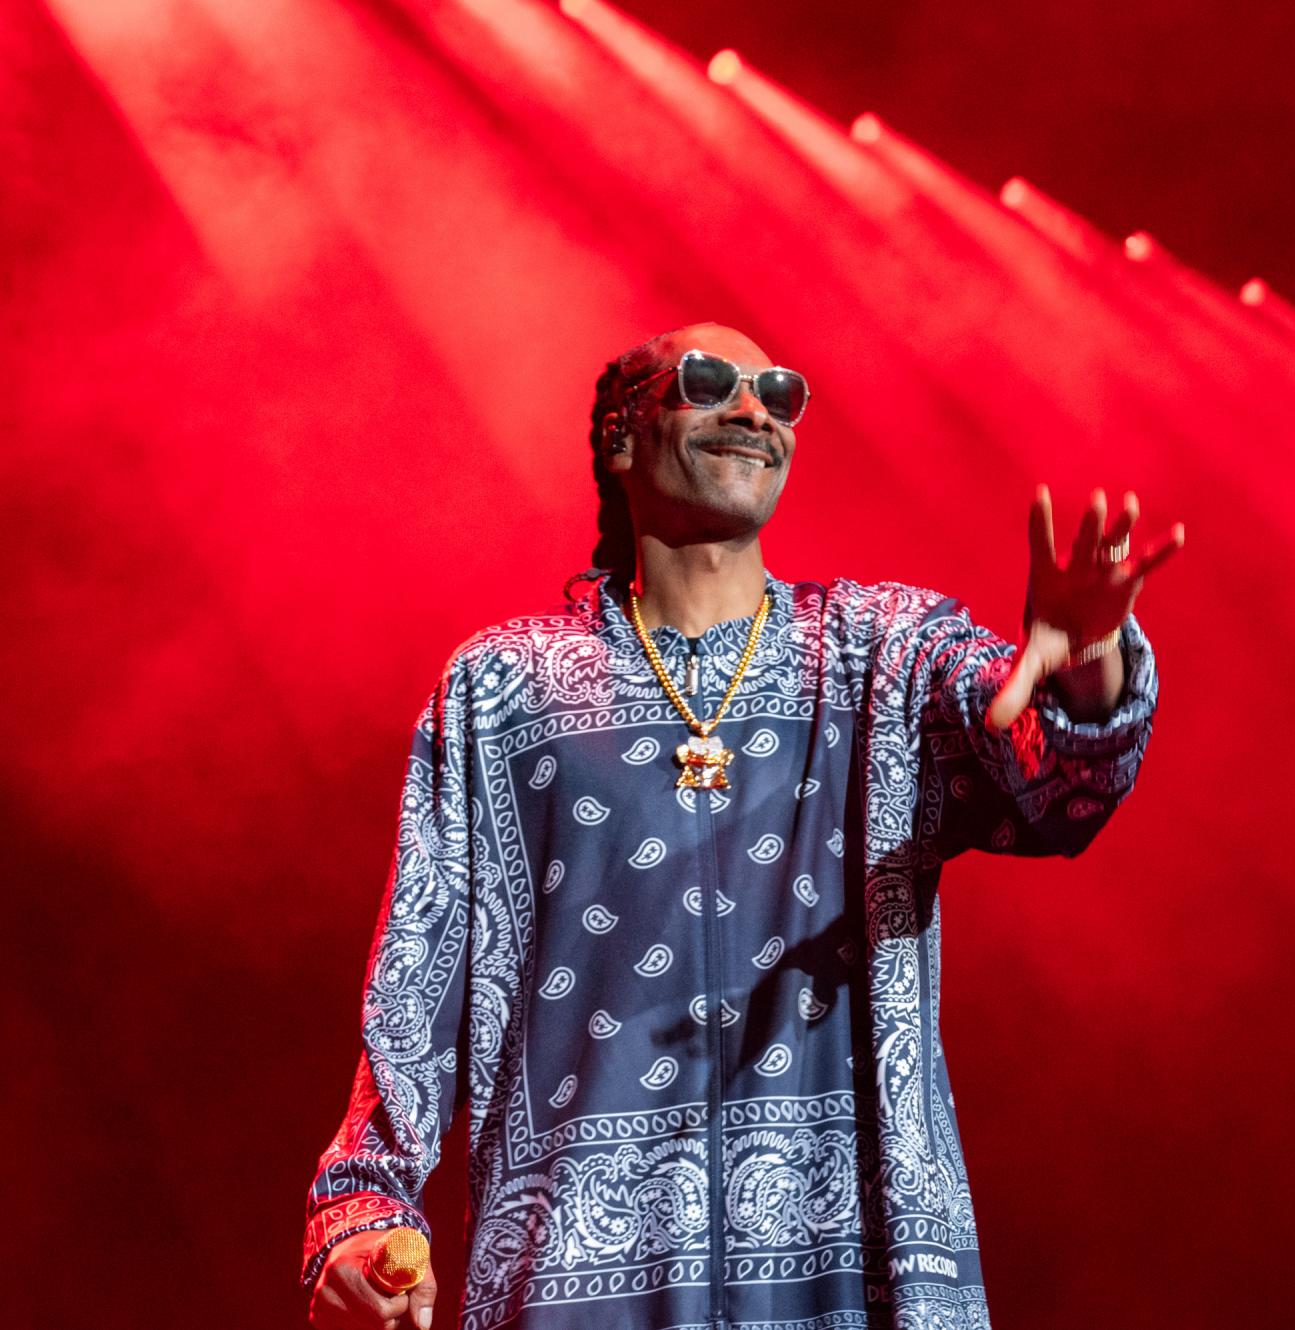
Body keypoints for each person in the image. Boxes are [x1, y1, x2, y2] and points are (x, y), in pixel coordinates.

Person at [302, 323, 1184, 1330]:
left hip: (847, 1278)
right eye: (708, 382)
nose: (754, 409)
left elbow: (1047, 774)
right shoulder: (502, 691)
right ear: (619, 439)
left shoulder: (877, 655)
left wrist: (1085, 665)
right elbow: (419, 976)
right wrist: (360, 1206)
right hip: (578, 1287)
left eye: (778, 391)